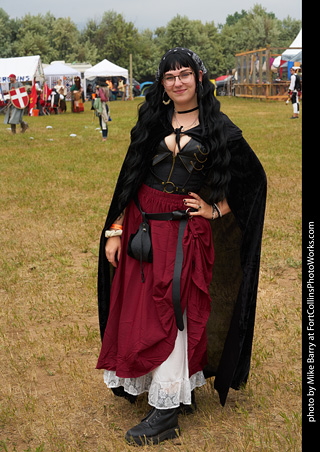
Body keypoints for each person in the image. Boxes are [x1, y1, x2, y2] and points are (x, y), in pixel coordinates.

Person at [96, 47, 267, 446]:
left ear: (199, 77)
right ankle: (170, 387)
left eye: (185, 74)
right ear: (163, 84)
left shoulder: (219, 127)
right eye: (170, 77)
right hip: (142, 226)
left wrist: (214, 210)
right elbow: (130, 176)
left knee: (174, 312)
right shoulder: (152, 120)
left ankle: (168, 410)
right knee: (142, 309)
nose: (178, 82)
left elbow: (252, 183)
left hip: (182, 232)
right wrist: (117, 228)